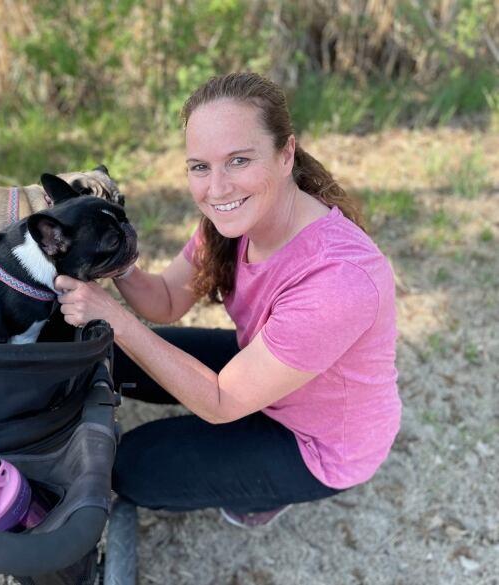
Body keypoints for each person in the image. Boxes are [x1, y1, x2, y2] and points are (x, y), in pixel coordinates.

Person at [55, 72, 400, 527]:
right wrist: (112, 261)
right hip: (258, 375)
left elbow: (221, 401)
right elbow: (162, 300)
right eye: (200, 166)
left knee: (127, 466)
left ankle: (266, 487)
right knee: (110, 355)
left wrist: (114, 316)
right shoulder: (230, 221)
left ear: (286, 154)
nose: (217, 188)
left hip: (314, 440)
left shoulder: (339, 278)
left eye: (238, 160)